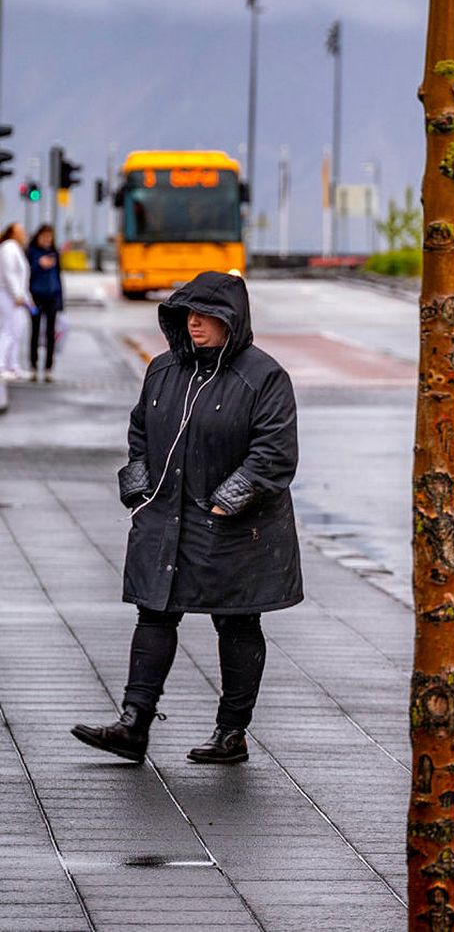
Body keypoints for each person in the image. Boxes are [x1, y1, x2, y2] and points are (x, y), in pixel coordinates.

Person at [71, 270, 302, 765]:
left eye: (207, 316)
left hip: (237, 527)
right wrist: (137, 489)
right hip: (164, 516)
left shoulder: (264, 377)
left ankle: (231, 732)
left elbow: (275, 453)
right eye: (188, 315)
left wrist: (227, 501)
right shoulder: (162, 370)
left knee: (237, 622)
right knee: (154, 611)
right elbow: (140, 432)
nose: (195, 324)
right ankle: (134, 724)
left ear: (231, 321)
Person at [26, 224, 63, 382]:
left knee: (50, 334)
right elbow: (25, 275)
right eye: (44, 237)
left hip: (52, 297)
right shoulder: (31, 253)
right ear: (38, 237)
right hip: (36, 297)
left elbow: (59, 277)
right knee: (34, 332)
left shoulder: (54, 253)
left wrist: (61, 301)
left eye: (50, 237)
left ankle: (48, 367)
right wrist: (38, 264)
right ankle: (33, 366)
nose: (47, 240)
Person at [0, 222, 31, 380]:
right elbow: (9, 274)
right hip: (8, 295)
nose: (24, 234)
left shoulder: (15, 249)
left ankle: (13, 365)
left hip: (16, 296)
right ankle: (2, 365)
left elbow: (21, 277)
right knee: (8, 330)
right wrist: (17, 294)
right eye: (21, 231)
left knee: (17, 331)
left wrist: (26, 297)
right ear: (13, 233)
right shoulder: (8, 249)